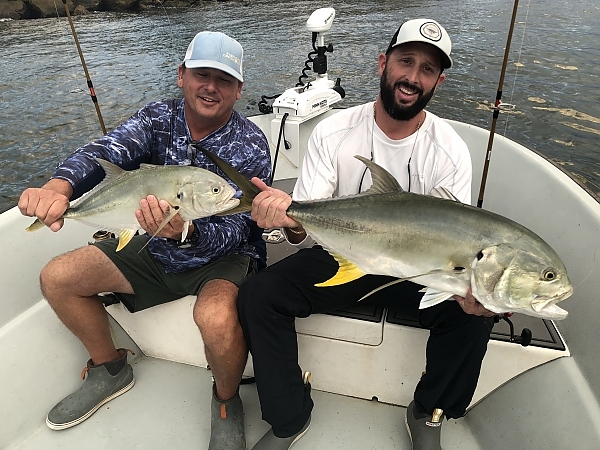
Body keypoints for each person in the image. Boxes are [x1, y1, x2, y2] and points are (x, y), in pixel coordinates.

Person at [237, 19, 496, 450]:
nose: (413, 77)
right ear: (383, 63)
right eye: (405, 61)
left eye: (427, 69)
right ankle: (289, 417)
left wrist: (473, 289)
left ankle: (428, 412)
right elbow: (305, 224)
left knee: (479, 312)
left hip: (418, 272)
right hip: (347, 257)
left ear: (438, 81)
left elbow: (456, 239)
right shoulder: (334, 131)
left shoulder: (449, 149)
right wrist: (284, 219)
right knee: (259, 295)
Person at [18, 31, 271, 450]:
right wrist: (60, 187)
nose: (211, 87)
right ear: (181, 75)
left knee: (216, 318)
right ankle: (110, 369)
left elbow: (242, 226)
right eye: (202, 74)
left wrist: (186, 231)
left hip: (224, 255)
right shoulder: (157, 117)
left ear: (239, 90)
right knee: (57, 277)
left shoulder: (250, 143)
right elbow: (108, 149)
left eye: (224, 80)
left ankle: (225, 400)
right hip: (152, 243)